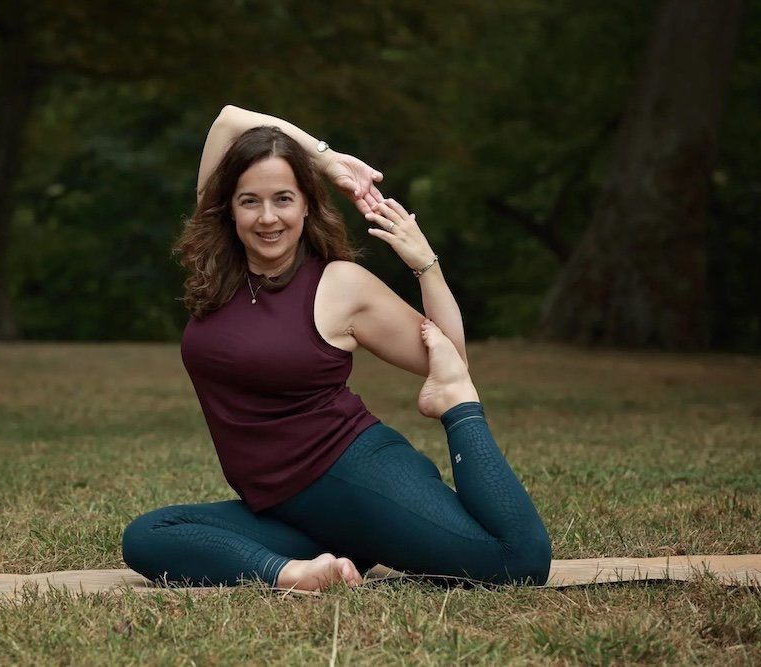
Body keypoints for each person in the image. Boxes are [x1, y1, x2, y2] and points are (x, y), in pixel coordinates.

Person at [122, 105, 551, 591]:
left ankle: (458, 409)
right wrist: (326, 159)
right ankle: (295, 573)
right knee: (149, 536)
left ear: (307, 204)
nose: (267, 217)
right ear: (228, 207)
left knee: (519, 562)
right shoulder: (218, 267)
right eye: (250, 202)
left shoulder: (338, 284)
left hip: (358, 476)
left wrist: (426, 267)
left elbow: (448, 354)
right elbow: (227, 121)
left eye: (284, 198)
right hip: (289, 508)